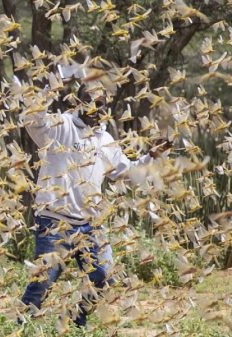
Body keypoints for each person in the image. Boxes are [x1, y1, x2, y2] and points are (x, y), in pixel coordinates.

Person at [17, 84, 171, 327]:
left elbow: (127, 172)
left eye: (101, 104)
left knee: (103, 276)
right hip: (54, 222)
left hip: (90, 225)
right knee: (44, 281)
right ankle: (18, 327)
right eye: (89, 101)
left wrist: (151, 157)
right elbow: (33, 120)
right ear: (77, 102)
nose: (95, 108)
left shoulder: (105, 139)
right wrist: (43, 96)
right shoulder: (61, 126)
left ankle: (76, 320)